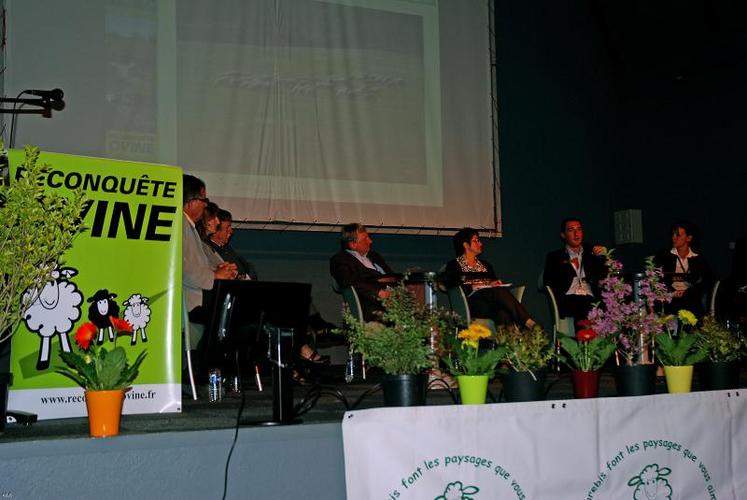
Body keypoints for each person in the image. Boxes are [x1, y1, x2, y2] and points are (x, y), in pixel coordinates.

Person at [444, 228, 537, 329]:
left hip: (490, 305)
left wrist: (495, 283)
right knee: (499, 294)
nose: (480, 244)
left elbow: (494, 284)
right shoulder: (454, 265)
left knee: (503, 311)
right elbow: (451, 285)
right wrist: (476, 285)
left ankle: (508, 342)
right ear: (466, 245)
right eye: (476, 241)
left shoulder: (486, 266)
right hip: (471, 305)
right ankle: (529, 323)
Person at [182, 175, 237, 323]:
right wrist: (215, 275)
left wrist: (219, 270)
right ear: (190, 202)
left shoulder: (188, 226)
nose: (205, 205)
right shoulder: (180, 224)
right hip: (190, 303)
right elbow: (182, 267)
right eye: (203, 200)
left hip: (197, 299)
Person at [543, 217, 607, 323]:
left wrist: (602, 257)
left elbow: (603, 277)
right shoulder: (554, 257)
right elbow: (548, 281)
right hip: (568, 298)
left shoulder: (591, 254)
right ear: (563, 235)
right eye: (571, 230)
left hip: (591, 297)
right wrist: (569, 266)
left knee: (600, 303)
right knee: (582, 302)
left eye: (579, 229)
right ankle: (583, 338)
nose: (576, 233)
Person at [330, 223, 395, 322]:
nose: (370, 241)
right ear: (353, 244)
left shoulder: (374, 256)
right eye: (365, 239)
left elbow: (391, 275)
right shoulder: (341, 259)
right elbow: (348, 280)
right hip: (372, 306)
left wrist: (391, 280)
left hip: (394, 299)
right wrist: (378, 292)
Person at [654, 221, 713, 318]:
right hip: (670, 300)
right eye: (672, 234)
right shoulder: (664, 256)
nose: (674, 237)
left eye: (678, 235)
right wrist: (671, 293)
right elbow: (657, 278)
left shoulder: (698, 257)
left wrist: (689, 292)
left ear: (689, 238)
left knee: (693, 308)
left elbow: (708, 280)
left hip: (691, 300)